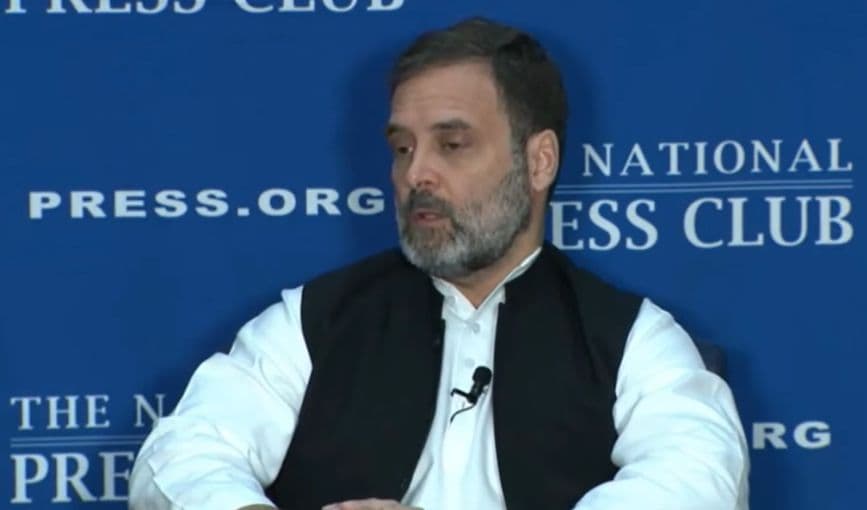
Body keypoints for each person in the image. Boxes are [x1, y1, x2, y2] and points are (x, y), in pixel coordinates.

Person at [128, 17, 749, 510]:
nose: (416, 174)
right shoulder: (312, 322)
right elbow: (180, 457)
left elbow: (697, 482)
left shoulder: (632, 339)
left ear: (539, 161)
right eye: (403, 148)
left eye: (452, 144)